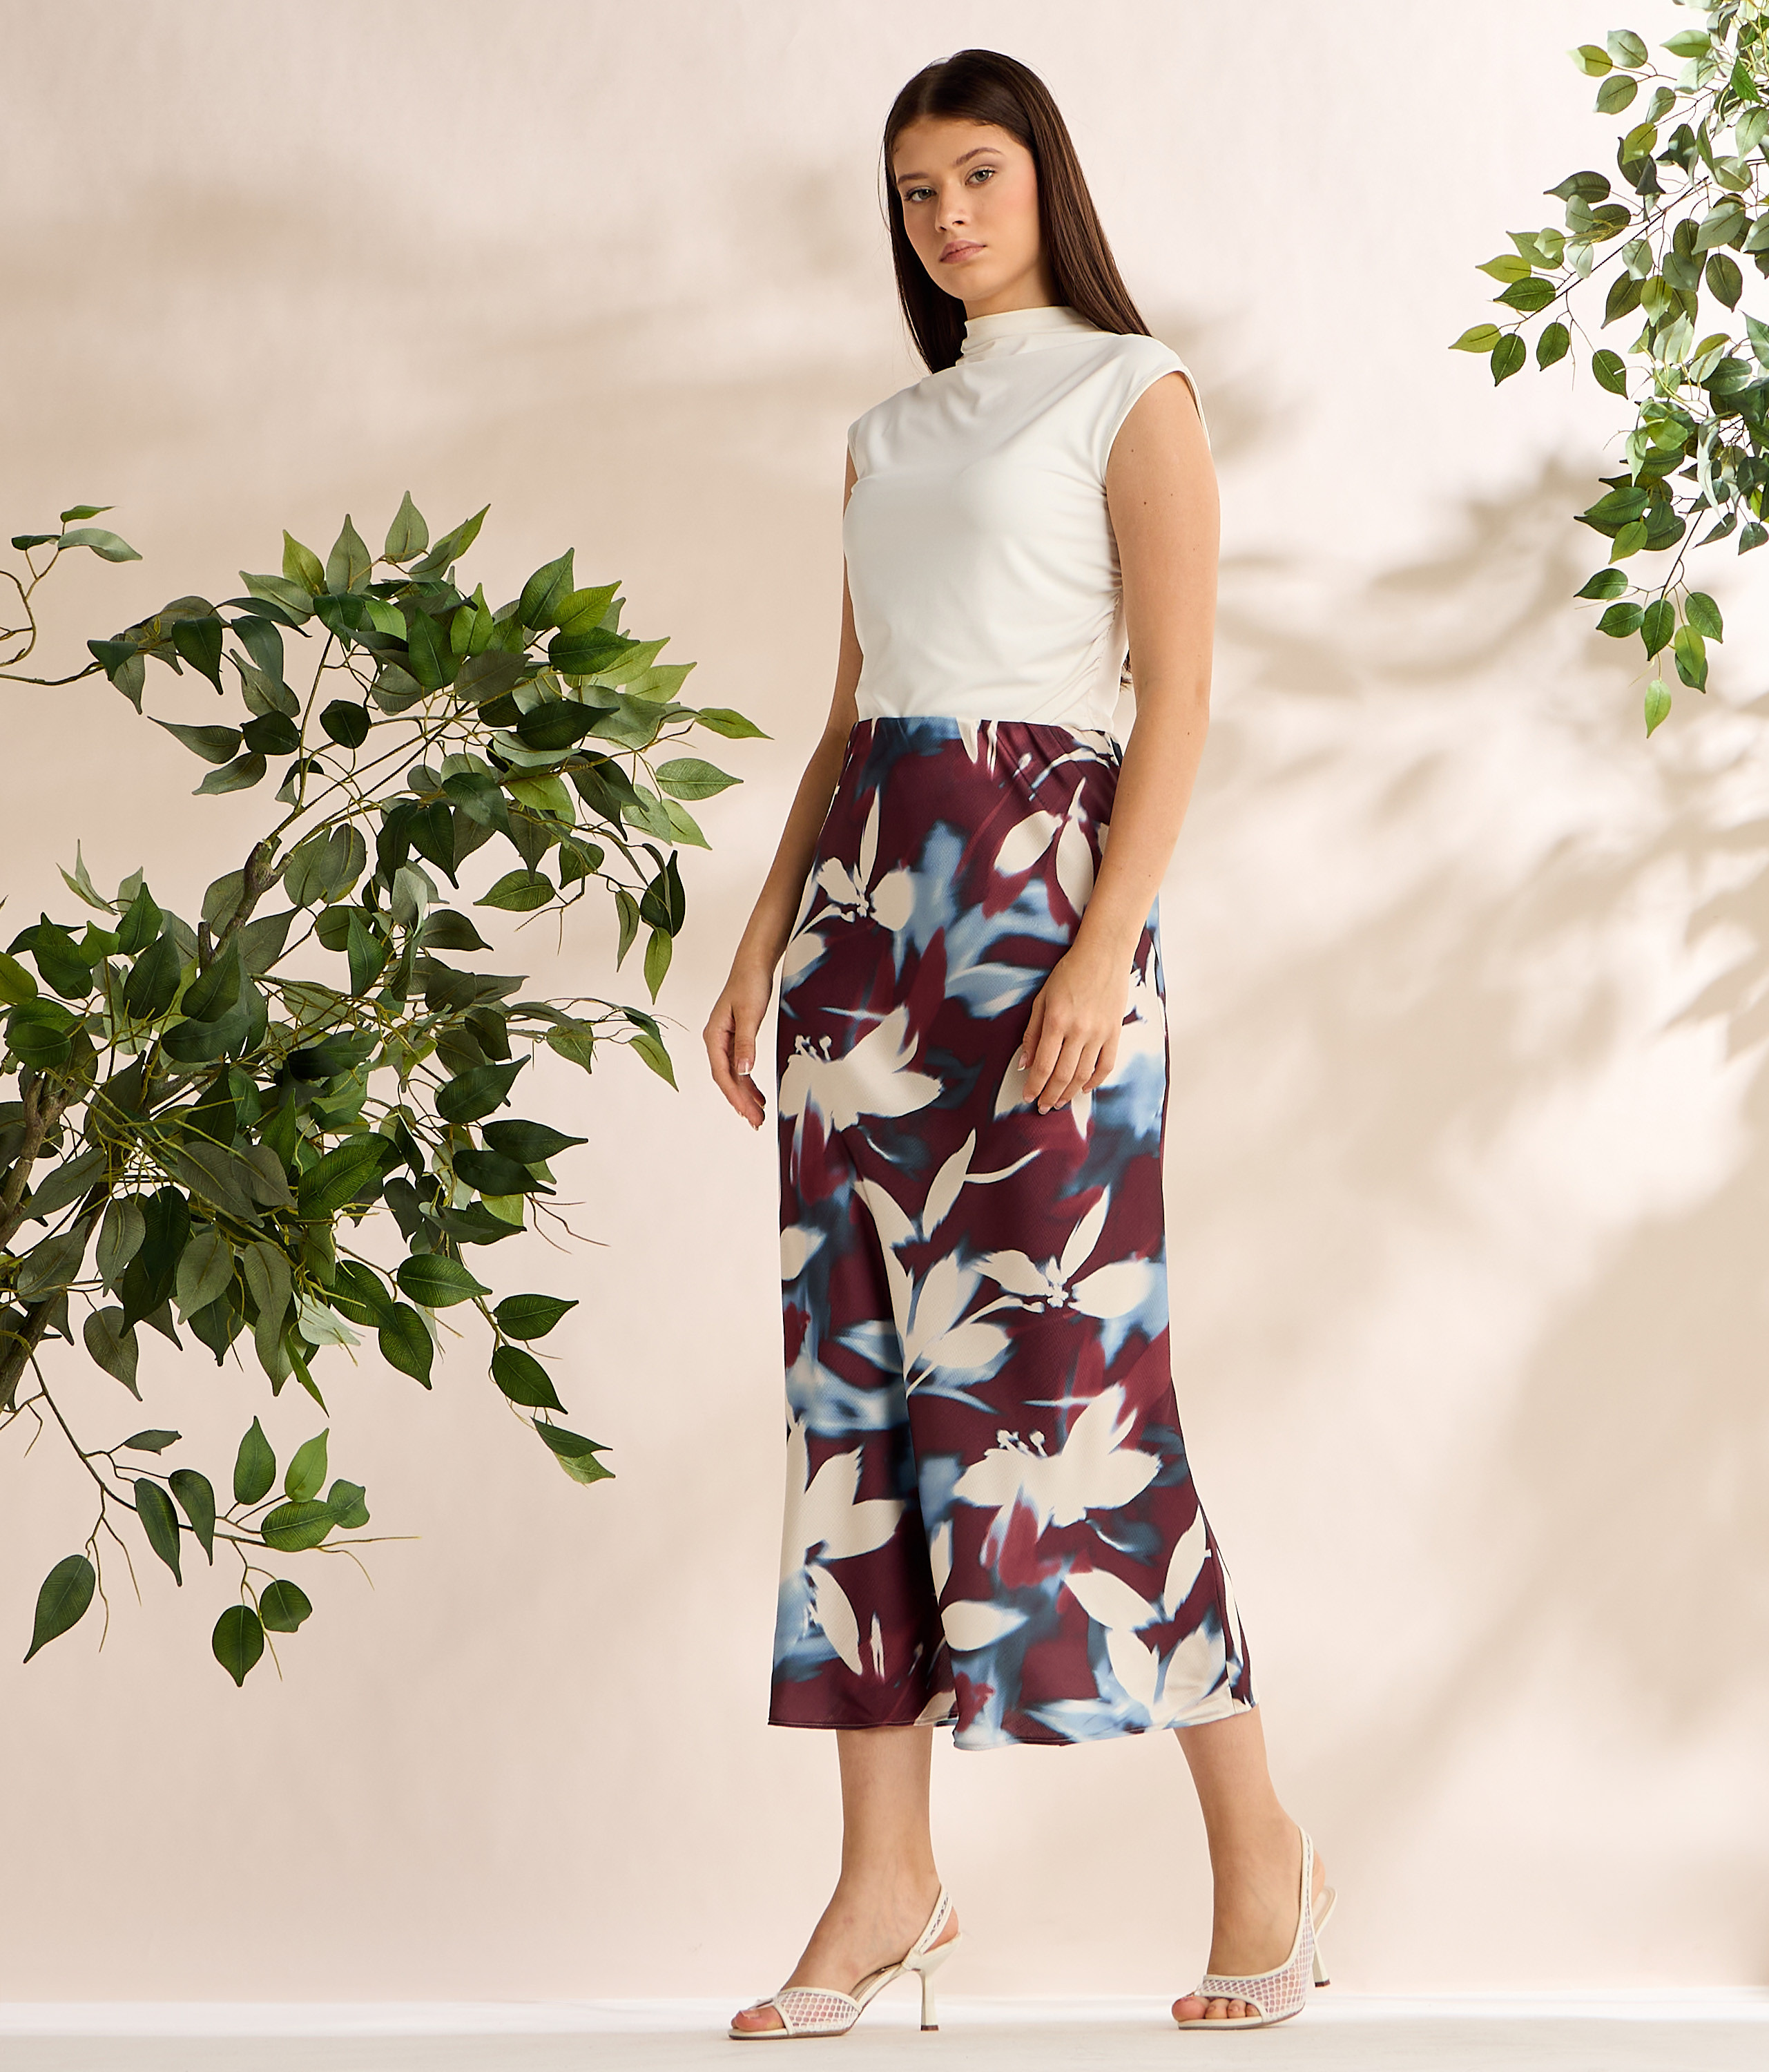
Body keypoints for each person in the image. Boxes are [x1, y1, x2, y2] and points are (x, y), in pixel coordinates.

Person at [702, 47, 1332, 2042]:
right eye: (916, 191)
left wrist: (1101, 948)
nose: (948, 216)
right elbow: (850, 713)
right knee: (857, 1409)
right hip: (860, 942)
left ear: (1044, 180)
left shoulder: (1132, 392)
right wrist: (759, 944)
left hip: (1042, 918)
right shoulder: (885, 436)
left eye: (978, 175)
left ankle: (1262, 1854)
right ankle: (885, 1884)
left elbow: (1179, 699)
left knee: (1076, 1389)